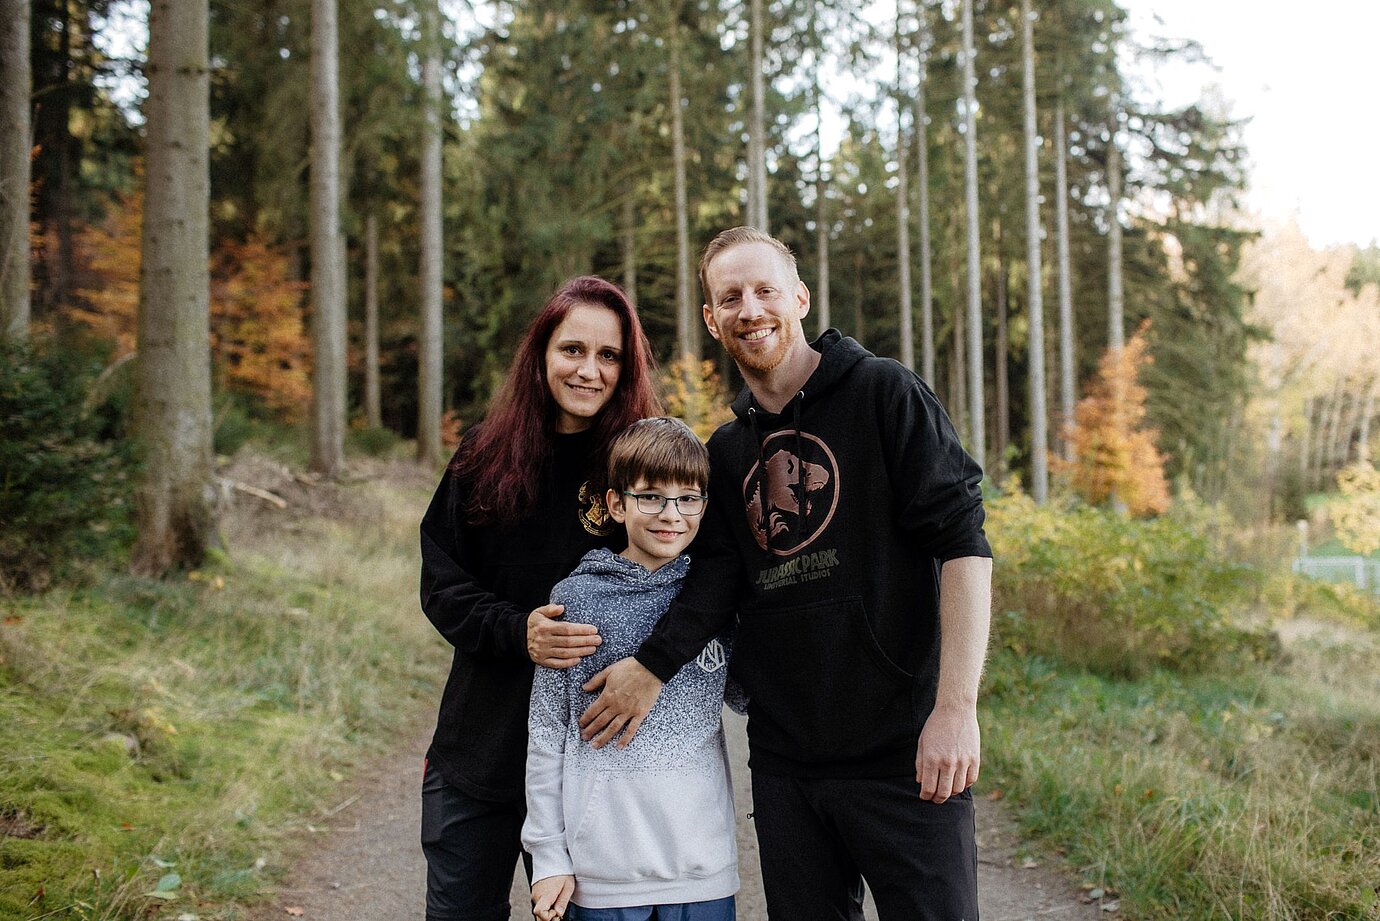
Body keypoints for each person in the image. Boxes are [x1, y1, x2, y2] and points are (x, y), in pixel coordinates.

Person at [579, 227, 994, 921]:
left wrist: (955, 710)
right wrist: (650, 667)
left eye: (765, 289)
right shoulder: (727, 449)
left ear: (799, 297)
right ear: (712, 319)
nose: (751, 309)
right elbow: (714, 583)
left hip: (904, 755)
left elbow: (964, 546)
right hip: (787, 769)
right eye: (730, 297)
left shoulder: (884, 394)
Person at [419, 276, 661, 921]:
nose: (589, 370)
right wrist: (515, 630)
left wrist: (655, 666)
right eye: (572, 349)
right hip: (480, 750)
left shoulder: (640, 465)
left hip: (593, 763)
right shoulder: (484, 453)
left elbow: (697, 580)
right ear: (541, 355)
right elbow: (441, 580)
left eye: (609, 356)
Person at [523, 416, 741, 921]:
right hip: (603, 874)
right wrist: (548, 855)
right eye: (651, 497)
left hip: (701, 867)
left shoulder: (715, 600)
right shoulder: (578, 600)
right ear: (617, 504)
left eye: (689, 498)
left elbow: (757, 698)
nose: (672, 514)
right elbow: (546, 735)